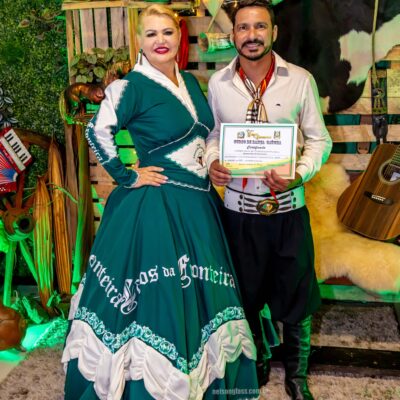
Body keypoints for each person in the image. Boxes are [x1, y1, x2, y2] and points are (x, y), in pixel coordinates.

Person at [62, 5, 260, 399]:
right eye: (151, 34)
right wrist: (128, 175)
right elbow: (98, 131)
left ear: (179, 36)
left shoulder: (189, 82)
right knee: (162, 300)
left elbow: (207, 134)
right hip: (158, 208)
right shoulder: (130, 86)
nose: (160, 41)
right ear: (139, 41)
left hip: (200, 207)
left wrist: (213, 160)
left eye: (167, 32)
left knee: (203, 296)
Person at [205, 1, 332, 399]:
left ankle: (297, 376)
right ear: (233, 35)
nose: (252, 35)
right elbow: (213, 134)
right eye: (243, 27)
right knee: (245, 295)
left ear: (273, 32)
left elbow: (320, 140)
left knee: (297, 296)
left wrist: (299, 173)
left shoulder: (300, 80)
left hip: (288, 210)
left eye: (260, 26)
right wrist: (212, 162)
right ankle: (257, 358)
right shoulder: (218, 84)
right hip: (239, 213)